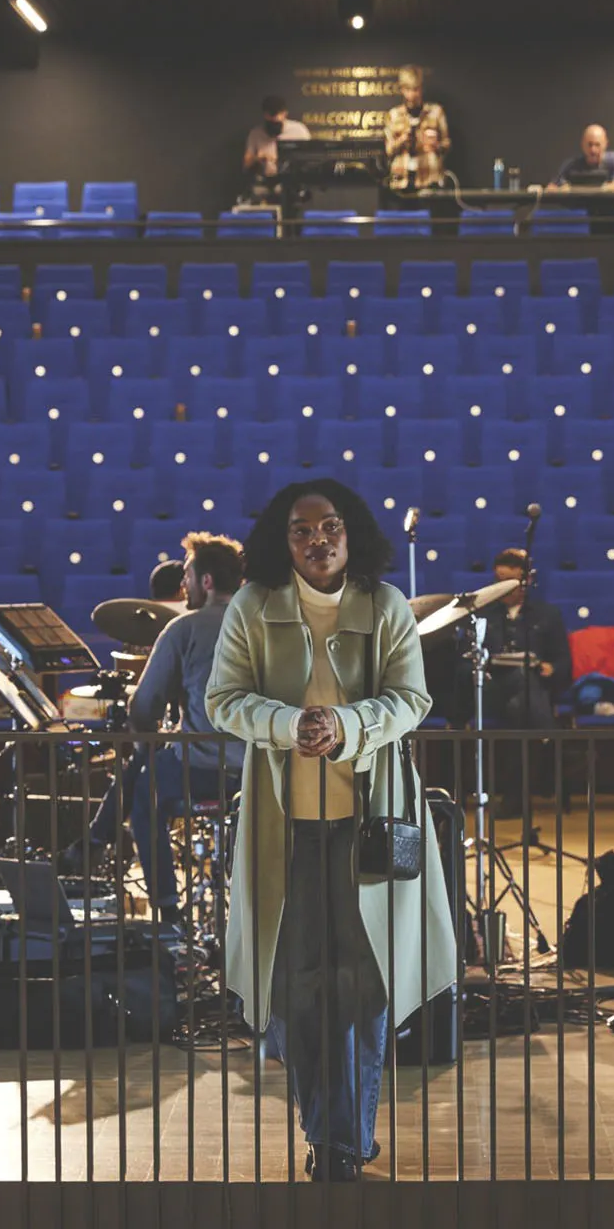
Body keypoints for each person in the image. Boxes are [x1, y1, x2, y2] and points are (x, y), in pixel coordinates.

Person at [206, 479, 456, 1183]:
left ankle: (339, 1139)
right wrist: (289, 725)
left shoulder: (386, 605)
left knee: (361, 985)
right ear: (280, 540)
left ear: (352, 533)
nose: (318, 538)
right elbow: (221, 699)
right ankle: (329, 1129)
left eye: (331, 526)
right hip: (284, 828)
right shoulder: (254, 605)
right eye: (301, 529)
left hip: (367, 824)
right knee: (297, 987)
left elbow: (412, 698)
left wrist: (346, 725)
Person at [61, 532, 246, 925]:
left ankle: (165, 909)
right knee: (149, 763)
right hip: (261, 771)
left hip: (203, 769)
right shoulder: (268, 626)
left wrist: (148, 734)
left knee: (144, 795)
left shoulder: (185, 628)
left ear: (207, 582)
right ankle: (95, 839)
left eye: (189, 577)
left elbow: (143, 709)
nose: (185, 587)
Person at [478, 549, 573, 815]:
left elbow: (564, 663)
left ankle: (514, 799)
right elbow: (464, 661)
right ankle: (551, 743)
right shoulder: (482, 614)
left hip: (528, 693)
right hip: (491, 690)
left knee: (519, 707)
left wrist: (550, 667)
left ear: (526, 582)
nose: (505, 589)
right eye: (500, 582)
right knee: (522, 691)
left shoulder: (546, 615)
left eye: (512, 583)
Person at [384, 65, 449, 186]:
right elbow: (388, 150)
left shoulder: (436, 112)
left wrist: (435, 146)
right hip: (401, 181)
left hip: (429, 178)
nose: (412, 95)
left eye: (415, 89)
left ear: (421, 88)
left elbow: (446, 144)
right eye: (408, 90)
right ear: (402, 90)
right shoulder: (394, 115)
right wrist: (402, 140)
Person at [244, 94, 311, 191]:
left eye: (277, 122)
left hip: (294, 182)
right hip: (267, 182)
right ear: (264, 115)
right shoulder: (256, 134)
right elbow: (246, 163)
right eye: (271, 120)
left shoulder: (299, 130)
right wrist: (258, 158)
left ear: (285, 114)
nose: (274, 123)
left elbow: (309, 157)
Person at [551, 124, 614, 189]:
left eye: (597, 145)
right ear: (582, 144)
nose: (593, 150)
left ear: (605, 144)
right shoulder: (571, 164)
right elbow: (552, 187)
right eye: (589, 144)